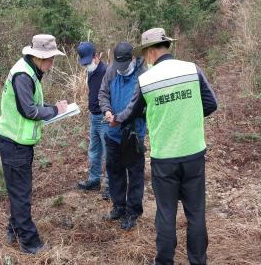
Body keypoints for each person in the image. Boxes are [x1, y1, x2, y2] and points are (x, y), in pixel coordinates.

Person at [112, 28, 217, 264]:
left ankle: (164, 261)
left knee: (166, 214)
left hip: (164, 159)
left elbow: (131, 113)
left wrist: (116, 118)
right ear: (166, 46)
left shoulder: (146, 80)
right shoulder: (192, 69)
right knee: (196, 213)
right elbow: (211, 103)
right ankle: (198, 261)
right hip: (193, 154)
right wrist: (188, 117)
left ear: (150, 52)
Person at [0, 34, 68, 254]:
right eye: (50, 58)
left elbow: (32, 104)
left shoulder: (29, 71)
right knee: (21, 194)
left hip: (18, 142)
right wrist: (54, 111)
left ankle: (14, 230)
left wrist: (52, 107)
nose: (52, 62)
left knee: (19, 191)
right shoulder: (23, 75)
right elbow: (28, 110)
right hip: (14, 143)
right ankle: (30, 242)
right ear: (38, 56)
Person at [99, 42, 147, 230]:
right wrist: (107, 111)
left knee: (135, 173)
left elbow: (135, 105)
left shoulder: (142, 75)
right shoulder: (111, 71)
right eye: (117, 65)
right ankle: (119, 205)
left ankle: (133, 211)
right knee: (114, 169)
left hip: (133, 132)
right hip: (113, 133)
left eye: (124, 66)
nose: (120, 70)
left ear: (133, 59)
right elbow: (102, 94)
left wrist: (118, 118)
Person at [76, 41, 110, 200]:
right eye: (84, 63)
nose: (87, 66)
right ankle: (94, 179)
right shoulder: (91, 71)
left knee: (108, 153)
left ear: (97, 56)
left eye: (89, 62)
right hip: (93, 116)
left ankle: (111, 185)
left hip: (104, 118)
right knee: (94, 150)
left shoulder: (106, 71)